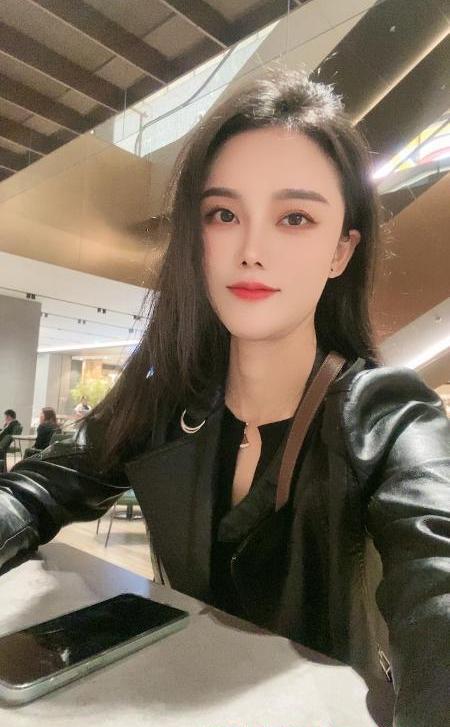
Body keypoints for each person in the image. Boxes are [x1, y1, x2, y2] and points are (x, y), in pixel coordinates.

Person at [0, 71, 448, 726]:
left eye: (295, 218)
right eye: (223, 214)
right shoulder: (163, 402)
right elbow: (36, 489)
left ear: (341, 250)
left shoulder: (388, 413)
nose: (251, 250)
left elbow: (438, 583)